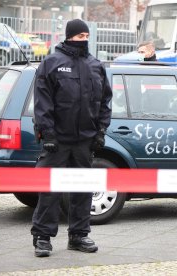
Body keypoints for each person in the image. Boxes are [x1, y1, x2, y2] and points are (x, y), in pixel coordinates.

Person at [31, 19, 112, 257]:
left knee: (82, 190)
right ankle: (42, 238)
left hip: (84, 140)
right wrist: (48, 134)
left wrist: (100, 131)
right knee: (50, 190)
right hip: (57, 141)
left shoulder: (95, 65)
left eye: (87, 35)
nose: (84, 39)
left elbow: (105, 102)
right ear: (68, 37)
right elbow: (42, 103)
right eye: (79, 36)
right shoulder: (52, 63)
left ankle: (79, 236)